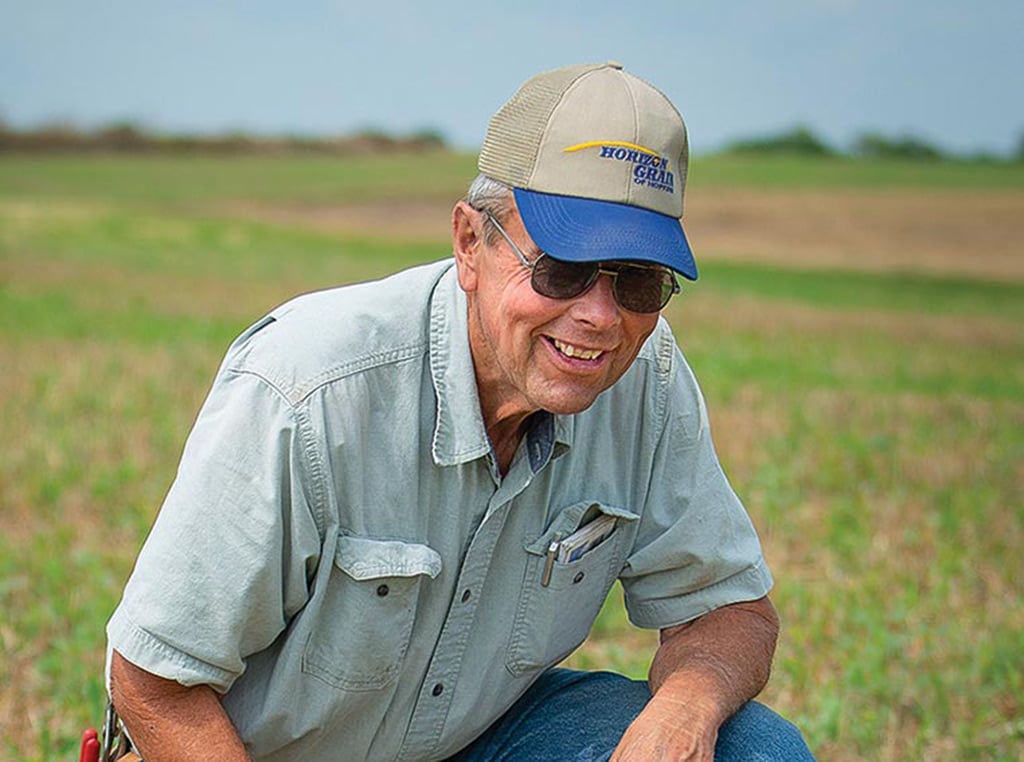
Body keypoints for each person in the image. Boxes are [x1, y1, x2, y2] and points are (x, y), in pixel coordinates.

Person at [105, 62, 814, 761]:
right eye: (561, 269)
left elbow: (728, 611)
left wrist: (686, 710)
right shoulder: (308, 387)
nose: (600, 316)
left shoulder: (648, 378)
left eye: (638, 282)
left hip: (479, 740)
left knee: (755, 751)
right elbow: (152, 681)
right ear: (470, 243)